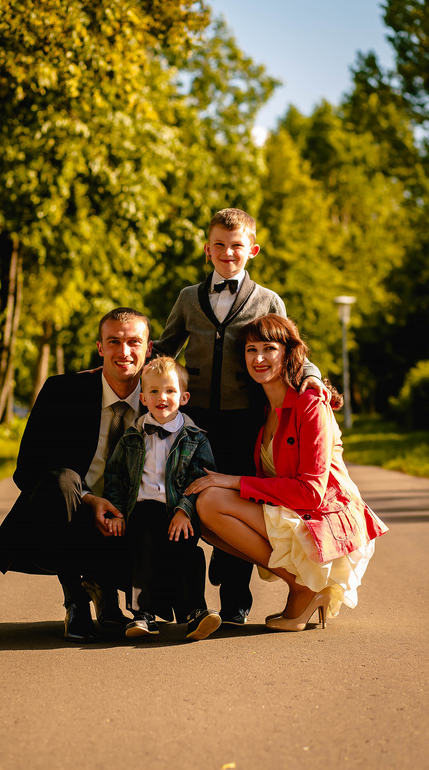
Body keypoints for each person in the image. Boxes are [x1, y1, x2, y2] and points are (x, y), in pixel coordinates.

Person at [152, 207, 328, 626]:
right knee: (186, 497)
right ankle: (188, 603)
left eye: (236, 246)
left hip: (245, 420)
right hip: (194, 422)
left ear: (252, 250)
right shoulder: (188, 298)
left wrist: (311, 375)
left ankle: (235, 604)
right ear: (207, 249)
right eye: (219, 245)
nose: (227, 253)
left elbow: (288, 346)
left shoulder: (268, 300)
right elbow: (165, 347)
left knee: (238, 501)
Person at [186, 313, 388, 631]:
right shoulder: (263, 408)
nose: (259, 358)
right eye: (251, 350)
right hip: (293, 510)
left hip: (323, 516)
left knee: (211, 501)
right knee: (201, 513)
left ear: (288, 353)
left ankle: (303, 586)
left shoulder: (311, 403)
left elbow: (311, 493)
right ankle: (302, 586)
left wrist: (233, 482)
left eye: (269, 348)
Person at [0, 307, 153, 643]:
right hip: (69, 518)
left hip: (131, 523)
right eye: (114, 342)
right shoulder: (63, 391)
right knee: (62, 479)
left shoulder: (162, 399)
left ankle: (114, 596)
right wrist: (88, 500)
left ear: (149, 349)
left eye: (134, 342)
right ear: (100, 347)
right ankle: (75, 600)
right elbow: (27, 470)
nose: (124, 351)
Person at [103, 356, 221, 641]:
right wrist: (116, 511)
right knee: (141, 550)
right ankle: (142, 614)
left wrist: (185, 511)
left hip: (178, 511)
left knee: (189, 553)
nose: (162, 397)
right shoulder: (131, 436)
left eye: (170, 390)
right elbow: (115, 476)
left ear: (184, 397)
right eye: (154, 391)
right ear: (143, 398)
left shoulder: (195, 438)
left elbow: (202, 480)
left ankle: (195, 612)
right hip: (142, 509)